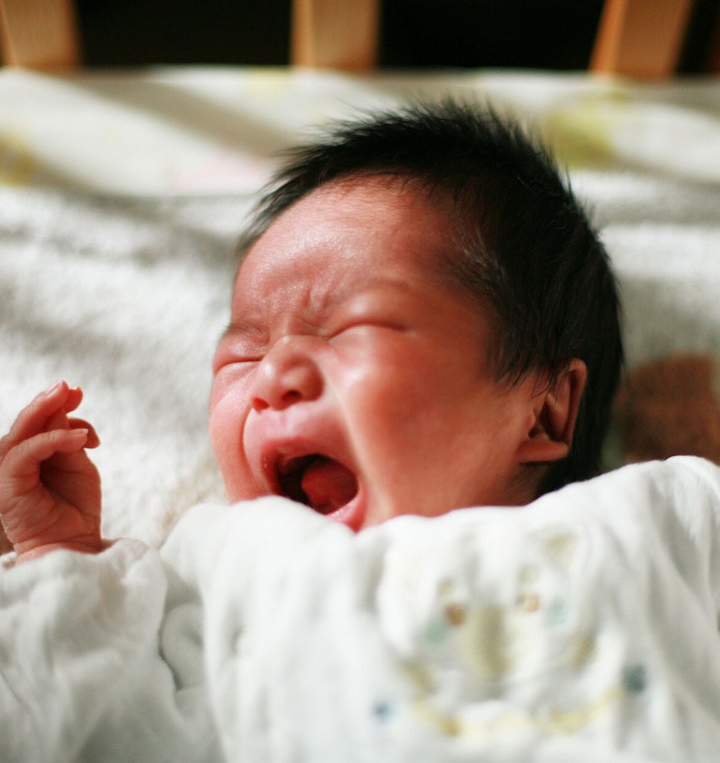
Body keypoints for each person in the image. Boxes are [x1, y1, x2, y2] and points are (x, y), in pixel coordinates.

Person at [0, 101, 622, 562]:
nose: (272, 373)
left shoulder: (627, 540)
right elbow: (96, 714)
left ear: (542, 413)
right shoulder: (212, 574)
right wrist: (61, 558)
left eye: (353, 326)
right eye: (240, 355)